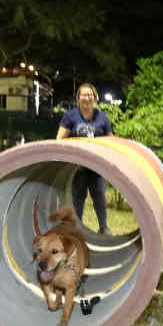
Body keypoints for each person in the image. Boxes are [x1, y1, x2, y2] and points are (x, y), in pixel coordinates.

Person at [56, 82, 114, 235]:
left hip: (96, 166)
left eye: (90, 95)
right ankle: (77, 228)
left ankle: (103, 227)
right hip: (78, 166)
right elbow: (59, 139)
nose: (86, 98)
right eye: (83, 95)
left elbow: (111, 140)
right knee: (78, 198)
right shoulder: (71, 116)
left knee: (99, 196)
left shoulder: (102, 117)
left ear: (95, 98)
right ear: (78, 98)